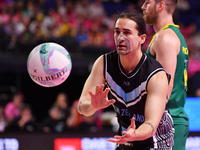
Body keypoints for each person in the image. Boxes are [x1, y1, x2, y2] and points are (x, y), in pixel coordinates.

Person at [77, 10, 175, 150]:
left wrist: (134, 134)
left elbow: (151, 124)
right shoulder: (104, 63)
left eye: (127, 32)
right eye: (117, 32)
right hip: (126, 136)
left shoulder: (156, 74)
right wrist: (93, 106)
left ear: (142, 38)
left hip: (155, 139)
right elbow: (82, 107)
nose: (120, 38)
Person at [141, 0, 189, 149]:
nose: (142, 7)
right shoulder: (173, 35)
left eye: (147, 2)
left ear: (160, 5)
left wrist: (149, 126)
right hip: (167, 121)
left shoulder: (164, 38)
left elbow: (165, 89)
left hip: (165, 124)